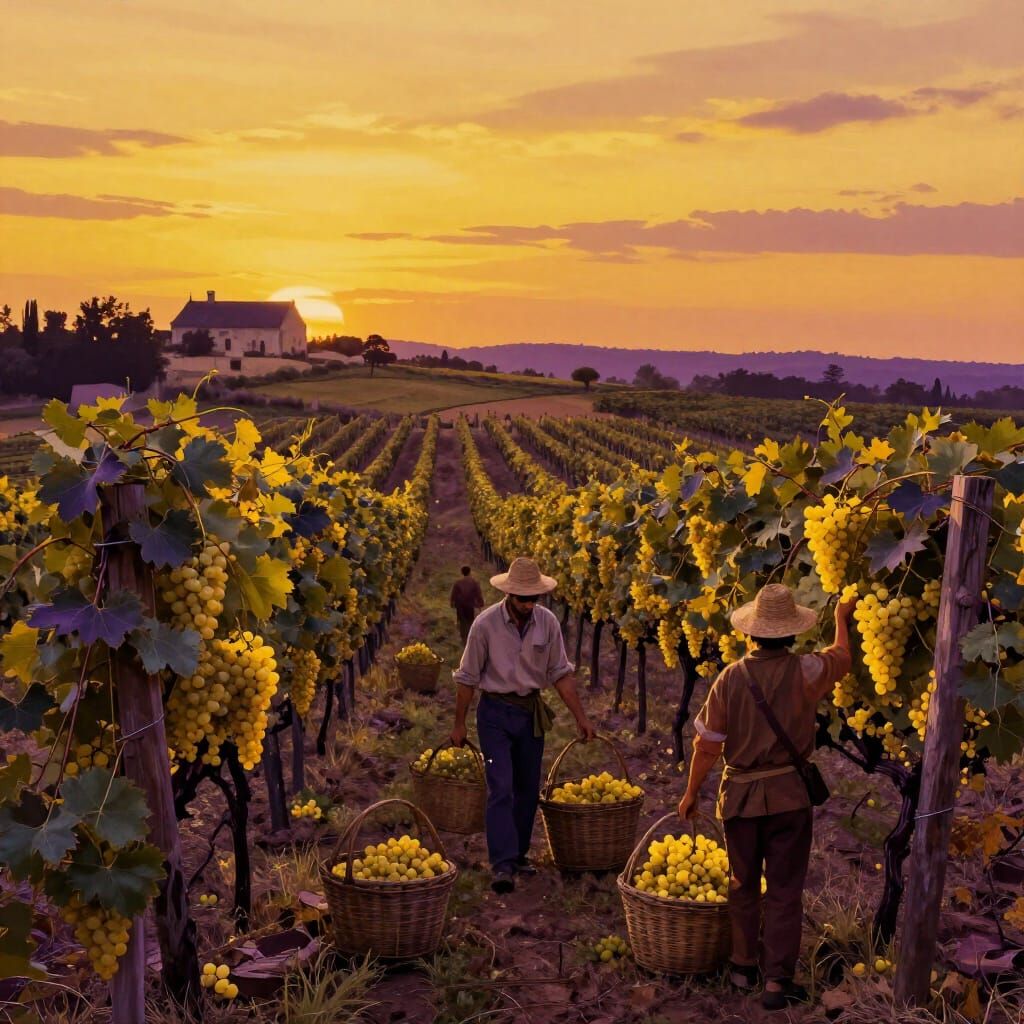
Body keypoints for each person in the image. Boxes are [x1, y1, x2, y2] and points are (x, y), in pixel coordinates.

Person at [677, 583, 856, 1012]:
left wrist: (690, 794)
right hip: (789, 798)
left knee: (742, 884)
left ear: (749, 634)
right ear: (791, 633)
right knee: (784, 889)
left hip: (738, 799)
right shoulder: (808, 670)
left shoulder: (729, 678)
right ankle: (777, 982)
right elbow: (844, 657)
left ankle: (742, 968)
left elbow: (707, 746)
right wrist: (841, 620)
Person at [451, 556, 596, 893]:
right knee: (500, 786)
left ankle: (518, 855)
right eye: (524, 599)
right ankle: (501, 864)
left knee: (528, 788)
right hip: (494, 715)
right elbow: (467, 678)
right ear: (509, 595)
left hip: (530, 713)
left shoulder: (548, 623)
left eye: (534, 598)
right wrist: (459, 724)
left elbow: (561, 674)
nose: (530, 605)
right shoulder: (484, 625)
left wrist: (582, 717)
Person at [450, 565, 484, 644]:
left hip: (460, 605)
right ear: (469, 572)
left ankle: (463, 638)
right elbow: (478, 593)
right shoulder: (474, 582)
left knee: (462, 621)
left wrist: (452, 602)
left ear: (462, 573)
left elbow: (453, 594)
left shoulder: (458, 583)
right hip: (470, 605)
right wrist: (480, 602)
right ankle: (470, 637)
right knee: (470, 620)